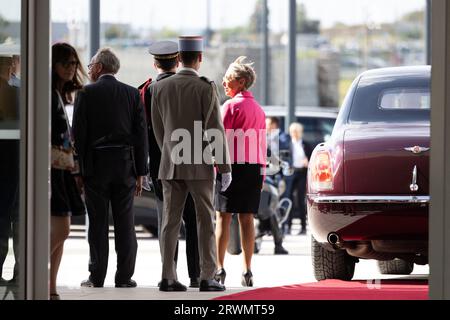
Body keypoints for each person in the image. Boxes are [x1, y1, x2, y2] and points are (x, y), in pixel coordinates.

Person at [151, 36, 232, 292]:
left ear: (177, 59)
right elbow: (214, 130)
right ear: (199, 58)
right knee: (205, 219)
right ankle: (207, 276)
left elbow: (158, 129)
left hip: (171, 161)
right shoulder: (204, 86)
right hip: (198, 163)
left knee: (169, 221)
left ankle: (167, 276)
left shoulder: (159, 87)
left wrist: (170, 152)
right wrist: (224, 167)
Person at [73, 48, 148, 288]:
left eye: (90, 65)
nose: (88, 69)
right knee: (125, 224)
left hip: (95, 166)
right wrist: (140, 173)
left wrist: (80, 170)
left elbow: (79, 135)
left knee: (97, 224)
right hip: (125, 165)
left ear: (99, 67)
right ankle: (124, 277)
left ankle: (96, 276)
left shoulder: (85, 93)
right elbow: (140, 136)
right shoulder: (132, 94)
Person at [141, 41, 200, 288]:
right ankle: (197, 274)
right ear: (177, 62)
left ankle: (169, 273)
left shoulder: (147, 90)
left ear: (155, 63)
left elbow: (142, 132)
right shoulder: (194, 86)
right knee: (194, 221)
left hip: (159, 165)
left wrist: (142, 168)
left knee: (167, 222)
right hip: (191, 161)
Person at [214, 56, 267, 287]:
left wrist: (216, 167)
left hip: (231, 167)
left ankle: (219, 268)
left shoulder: (230, 106)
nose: (224, 83)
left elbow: (220, 139)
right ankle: (247, 269)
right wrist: (263, 173)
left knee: (222, 218)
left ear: (241, 82)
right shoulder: (259, 110)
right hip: (254, 168)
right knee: (247, 219)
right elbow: (263, 144)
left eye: (228, 79)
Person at [50, 43, 87, 300]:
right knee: (62, 229)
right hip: (51, 169)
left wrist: (75, 170)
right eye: (65, 63)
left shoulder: (60, 95)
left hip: (62, 168)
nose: (71, 68)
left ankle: (50, 287)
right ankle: (32, 270)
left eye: (73, 63)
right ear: (52, 65)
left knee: (62, 232)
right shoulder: (48, 94)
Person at [0, 55, 19, 287]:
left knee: (3, 221)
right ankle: (21, 273)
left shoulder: (16, 91)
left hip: (11, 166)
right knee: (17, 220)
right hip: (16, 166)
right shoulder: (16, 93)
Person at [283, 122, 312, 235]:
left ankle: (303, 227)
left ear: (300, 133)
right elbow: (284, 159)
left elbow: (310, 158)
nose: (294, 134)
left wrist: (307, 161)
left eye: (296, 132)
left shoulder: (305, 144)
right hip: (291, 173)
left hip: (302, 173)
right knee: (288, 199)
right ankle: (288, 226)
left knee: (300, 200)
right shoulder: (288, 145)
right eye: (292, 132)